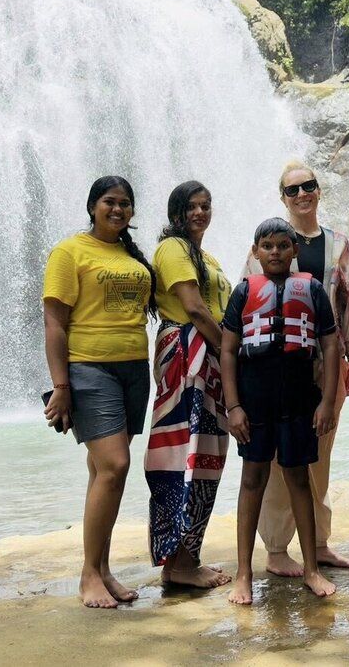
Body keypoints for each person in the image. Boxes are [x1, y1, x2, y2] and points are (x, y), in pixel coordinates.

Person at [243, 162, 349, 577]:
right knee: (280, 462)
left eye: (308, 186)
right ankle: (277, 548)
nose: (301, 195)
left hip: (325, 366)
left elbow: (348, 301)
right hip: (278, 366)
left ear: (318, 190)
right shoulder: (270, 242)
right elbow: (248, 298)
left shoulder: (337, 244)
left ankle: (320, 542)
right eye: (292, 190)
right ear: (283, 197)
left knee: (319, 456)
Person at [42, 176, 157, 608]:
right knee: (115, 464)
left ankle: (104, 569)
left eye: (125, 203)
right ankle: (89, 574)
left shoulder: (130, 254)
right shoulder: (69, 251)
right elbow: (54, 322)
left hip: (134, 368)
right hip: (89, 368)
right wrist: (61, 386)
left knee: (103, 472)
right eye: (110, 201)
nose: (118, 209)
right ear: (93, 206)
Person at [221, 218, 341, 605]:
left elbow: (331, 346)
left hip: (298, 398)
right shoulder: (243, 292)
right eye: (267, 246)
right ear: (255, 252)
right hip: (254, 400)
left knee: (299, 480)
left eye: (282, 246)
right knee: (252, 479)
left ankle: (311, 569)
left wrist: (326, 401)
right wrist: (234, 406)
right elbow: (227, 350)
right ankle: (243, 573)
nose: (275, 252)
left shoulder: (313, 290)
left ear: (294, 250)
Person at [144, 181, 233, 589]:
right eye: (192, 206)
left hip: (208, 356)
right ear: (176, 212)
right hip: (188, 353)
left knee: (206, 454)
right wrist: (232, 355)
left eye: (206, 205)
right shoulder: (172, 248)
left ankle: (186, 557)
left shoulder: (205, 256)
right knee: (186, 453)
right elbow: (195, 309)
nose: (200, 212)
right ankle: (178, 563)